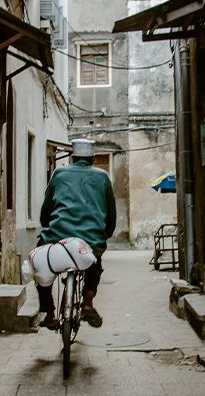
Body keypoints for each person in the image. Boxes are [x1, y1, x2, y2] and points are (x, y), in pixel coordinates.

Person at [36, 138, 116, 330]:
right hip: (91, 238)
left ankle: (48, 313)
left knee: (38, 262)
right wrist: (105, 234)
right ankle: (88, 302)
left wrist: (47, 226)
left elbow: (46, 210)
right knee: (95, 261)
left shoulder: (59, 173)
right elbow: (111, 213)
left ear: (72, 157)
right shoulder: (103, 177)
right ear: (92, 158)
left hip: (58, 236)